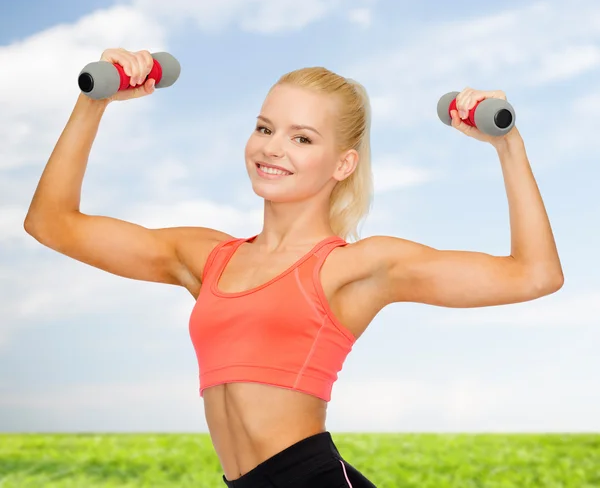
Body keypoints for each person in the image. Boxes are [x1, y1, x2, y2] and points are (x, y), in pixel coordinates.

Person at [24, 48, 564, 487]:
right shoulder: (206, 258)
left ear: (343, 164)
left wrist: (506, 143)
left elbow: (535, 274)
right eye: (265, 128)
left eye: (301, 138)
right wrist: (95, 101)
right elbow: (51, 222)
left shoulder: (354, 267)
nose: (272, 148)